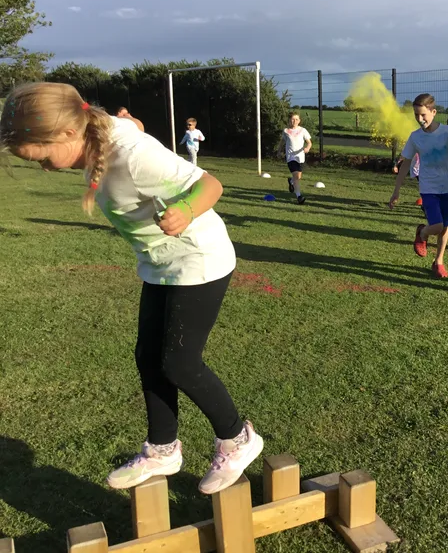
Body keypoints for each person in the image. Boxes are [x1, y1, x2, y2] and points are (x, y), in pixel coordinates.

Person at [1, 82, 264, 494]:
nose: (47, 169)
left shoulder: (133, 157)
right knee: (148, 357)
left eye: (46, 159)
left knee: (179, 362)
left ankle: (238, 438)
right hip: (160, 263)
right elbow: (128, 125)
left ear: (70, 133)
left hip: (199, 258)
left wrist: (184, 209)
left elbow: (212, 184)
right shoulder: (98, 133)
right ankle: (163, 450)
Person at [389, 94, 448, 279]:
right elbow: (405, 164)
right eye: (416, 115)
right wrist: (396, 191)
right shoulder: (415, 137)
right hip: (428, 188)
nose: (420, 119)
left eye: (423, 115)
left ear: (433, 112)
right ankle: (423, 232)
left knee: (445, 226)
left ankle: (439, 262)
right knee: (437, 224)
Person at [281, 113, 312, 205]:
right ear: (289, 120)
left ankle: (291, 181)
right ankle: (299, 196)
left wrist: (307, 148)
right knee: (296, 177)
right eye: (292, 119)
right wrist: (279, 151)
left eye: (296, 119)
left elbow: (309, 143)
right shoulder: (286, 131)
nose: (294, 121)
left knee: (298, 177)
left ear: (299, 121)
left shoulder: (303, 130)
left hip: (300, 157)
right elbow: (282, 142)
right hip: (291, 157)